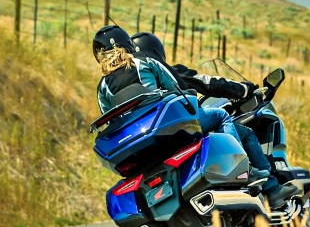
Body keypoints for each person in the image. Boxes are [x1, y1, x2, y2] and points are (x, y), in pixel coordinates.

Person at [93, 25, 276, 195]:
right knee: (221, 116)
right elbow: (177, 87)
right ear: (127, 44)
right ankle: (245, 169)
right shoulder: (144, 61)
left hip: (137, 144)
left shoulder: (102, 87)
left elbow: (111, 121)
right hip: (167, 127)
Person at [130, 31, 297, 208]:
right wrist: (243, 89)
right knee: (240, 130)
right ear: (156, 51)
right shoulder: (168, 71)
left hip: (147, 143)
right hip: (179, 128)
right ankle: (269, 187)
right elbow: (208, 83)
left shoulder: (126, 84)